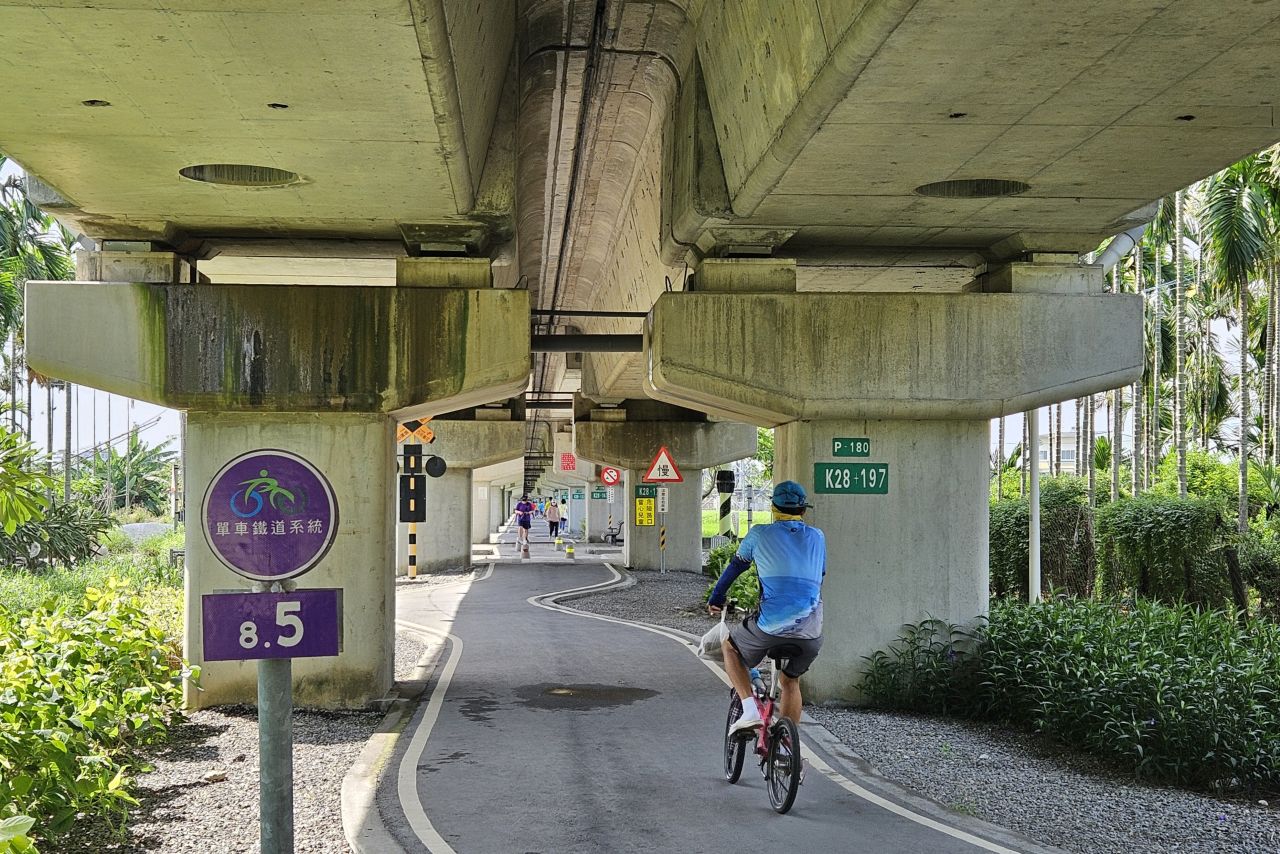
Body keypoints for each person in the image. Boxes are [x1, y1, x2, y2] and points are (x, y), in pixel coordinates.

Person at [707, 480, 826, 738]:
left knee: (730, 646)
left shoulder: (759, 534)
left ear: (773, 508)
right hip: (811, 632)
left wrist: (716, 597)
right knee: (790, 681)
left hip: (771, 625)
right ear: (803, 510)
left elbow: (735, 568)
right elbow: (820, 575)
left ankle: (749, 709)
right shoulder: (818, 537)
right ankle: (786, 747)